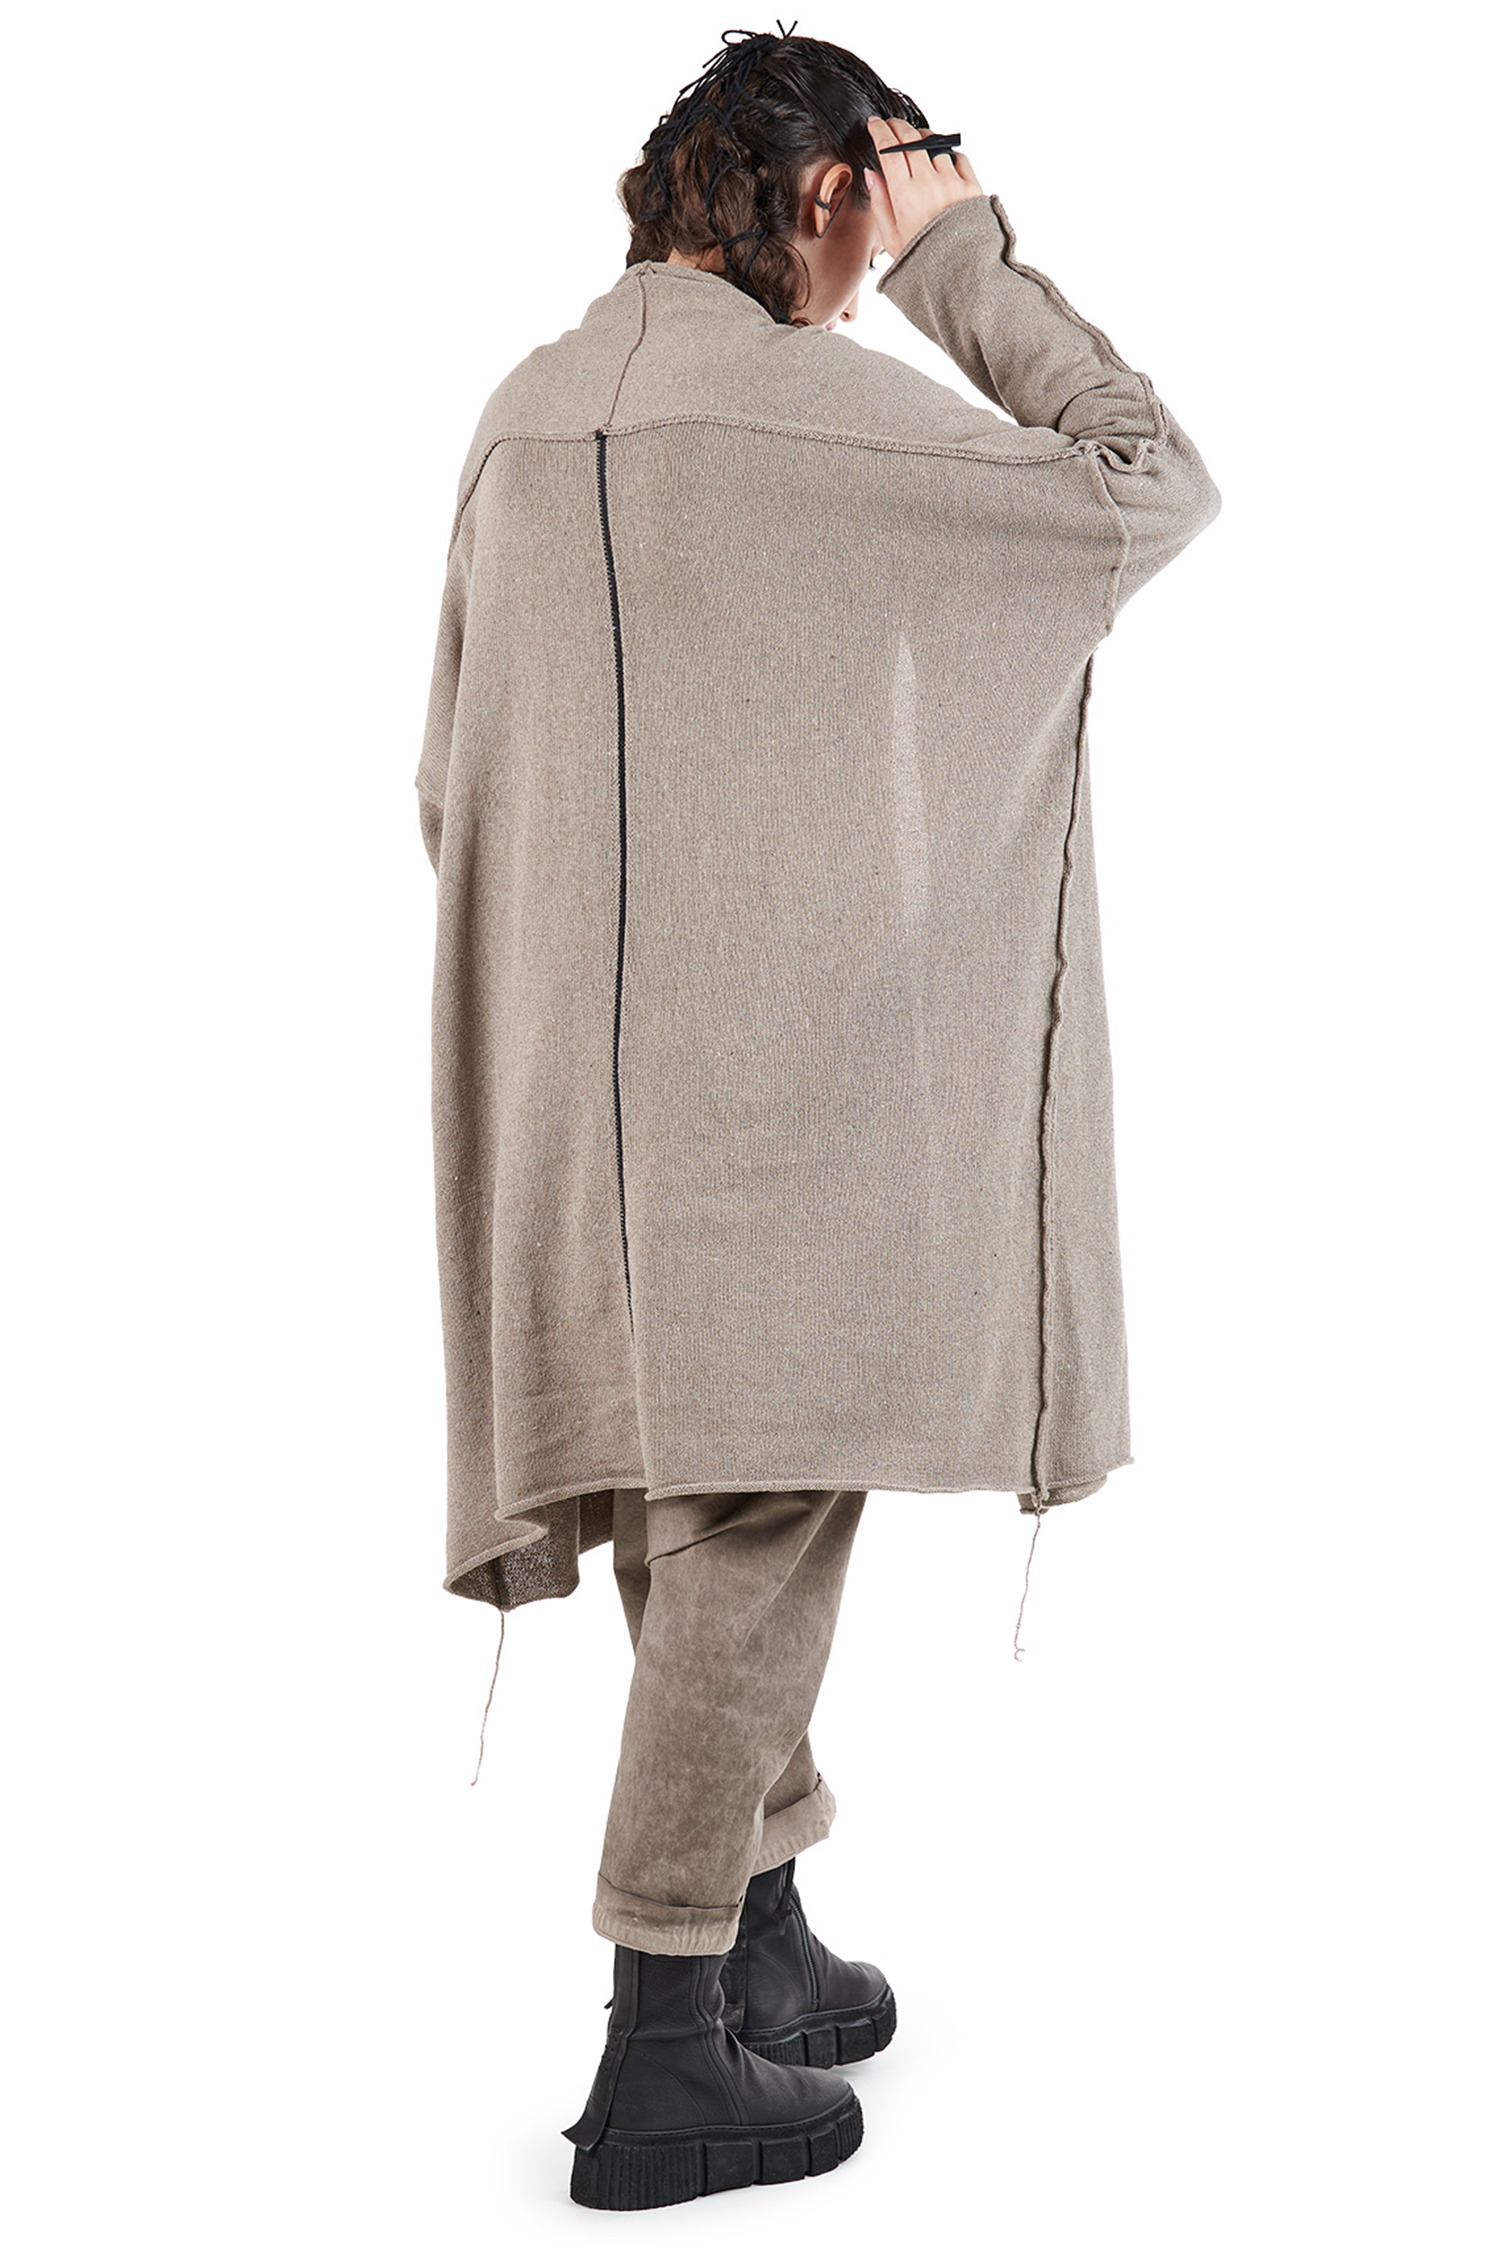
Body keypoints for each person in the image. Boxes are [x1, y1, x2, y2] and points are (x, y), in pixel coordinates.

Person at [415, 24, 1220, 2213]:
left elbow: (443, 781)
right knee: (756, 1506)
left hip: (553, 1090)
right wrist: (971, 263)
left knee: (687, 1501)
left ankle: (761, 1923)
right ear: (835, 188)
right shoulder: (814, 406)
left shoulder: (518, 415)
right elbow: (1144, 481)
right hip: (759, 1089)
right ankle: (666, 2032)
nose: (883, 253)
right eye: (897, 187)